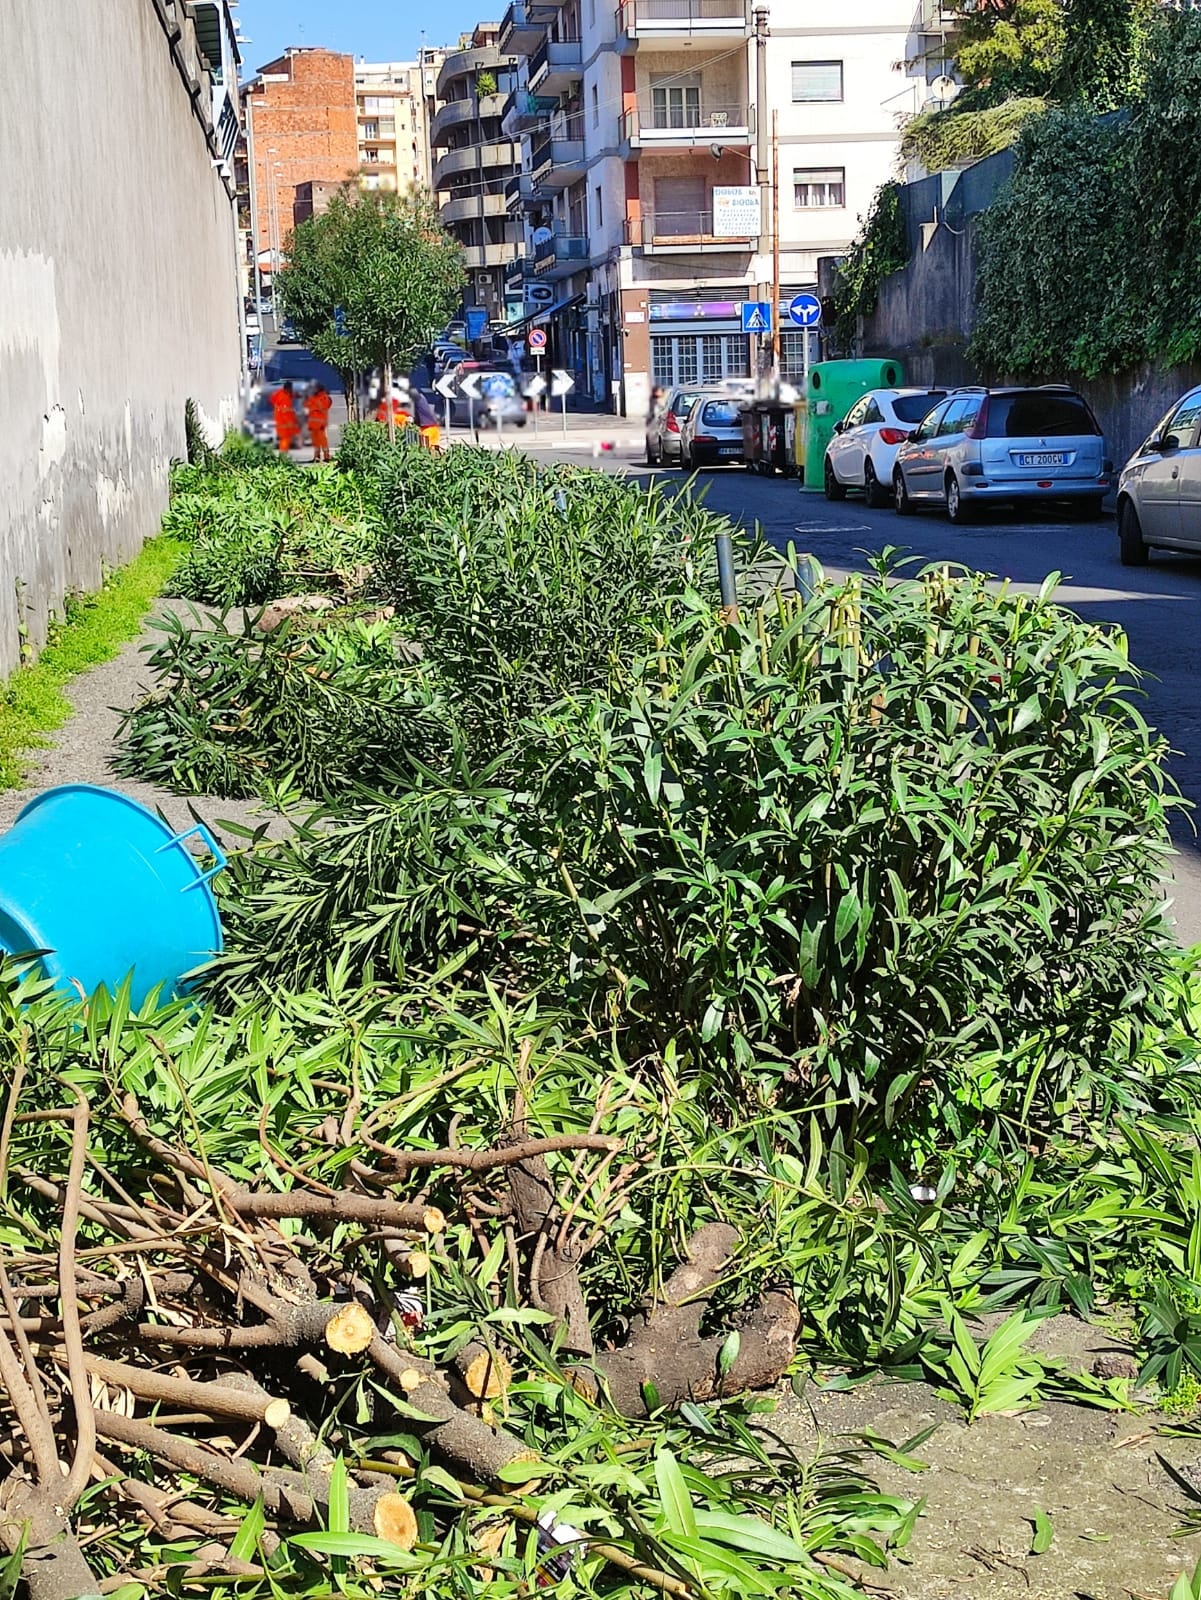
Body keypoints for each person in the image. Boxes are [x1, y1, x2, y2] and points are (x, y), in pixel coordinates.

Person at [306, 383, 333, 462]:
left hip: (320, 424)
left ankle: (326, 457)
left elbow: (325, 405)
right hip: (313, 424)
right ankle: (316, 457)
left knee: (323, 441)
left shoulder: (323, 398)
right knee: (315, 442)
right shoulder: (314, 398)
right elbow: (308, 406)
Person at [270, 381, 299, 453]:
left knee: (284, 439)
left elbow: (272, 400)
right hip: (284, 423)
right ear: (288, 389)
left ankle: (283, 455)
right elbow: (286, 412)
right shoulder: (284, 398)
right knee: (285, 439)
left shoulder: (280, 394)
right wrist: (291, 424)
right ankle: (283, 456)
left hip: (280, 422)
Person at [412, 386, 441, 450]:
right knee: (433, 448)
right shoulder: (420, 397)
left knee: (427, 448)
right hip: (432, 427)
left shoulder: (416, 398)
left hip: (427, 429)